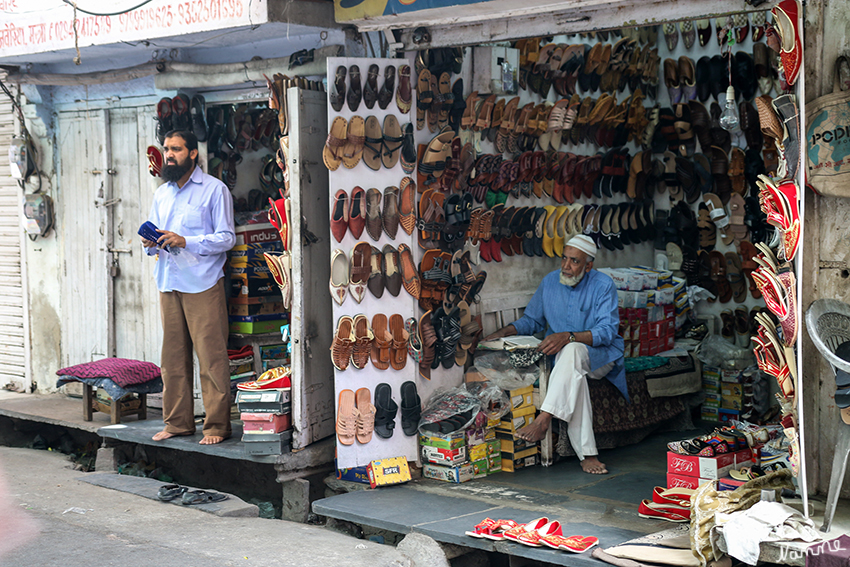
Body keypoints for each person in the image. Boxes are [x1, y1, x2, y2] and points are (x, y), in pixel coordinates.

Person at [482, 234, 627, 475]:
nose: (566, 266)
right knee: (574, 374)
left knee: (572, 350)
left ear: (588, 266)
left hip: (600, 357)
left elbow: (607, 332)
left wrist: (569, 336)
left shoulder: (603, 285)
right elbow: (531, 320)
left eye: (574, 262)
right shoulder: (550, 281)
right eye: (564, 259)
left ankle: (543, 419)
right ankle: (588, 454)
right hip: (565, 361)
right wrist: (501, 332)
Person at [141, 130, 236, 445]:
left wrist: (187, 240)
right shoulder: (162, 194)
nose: (169, 155)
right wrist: (150, 243)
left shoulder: (214, 190)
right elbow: (155, 240)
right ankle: (178, 423)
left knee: (211, 358)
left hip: (203, 284)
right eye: (167, 149)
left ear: (193, 153)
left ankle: (217, 427)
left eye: (176, 149)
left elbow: (226, 237)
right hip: (169, 281)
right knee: (172, 359)